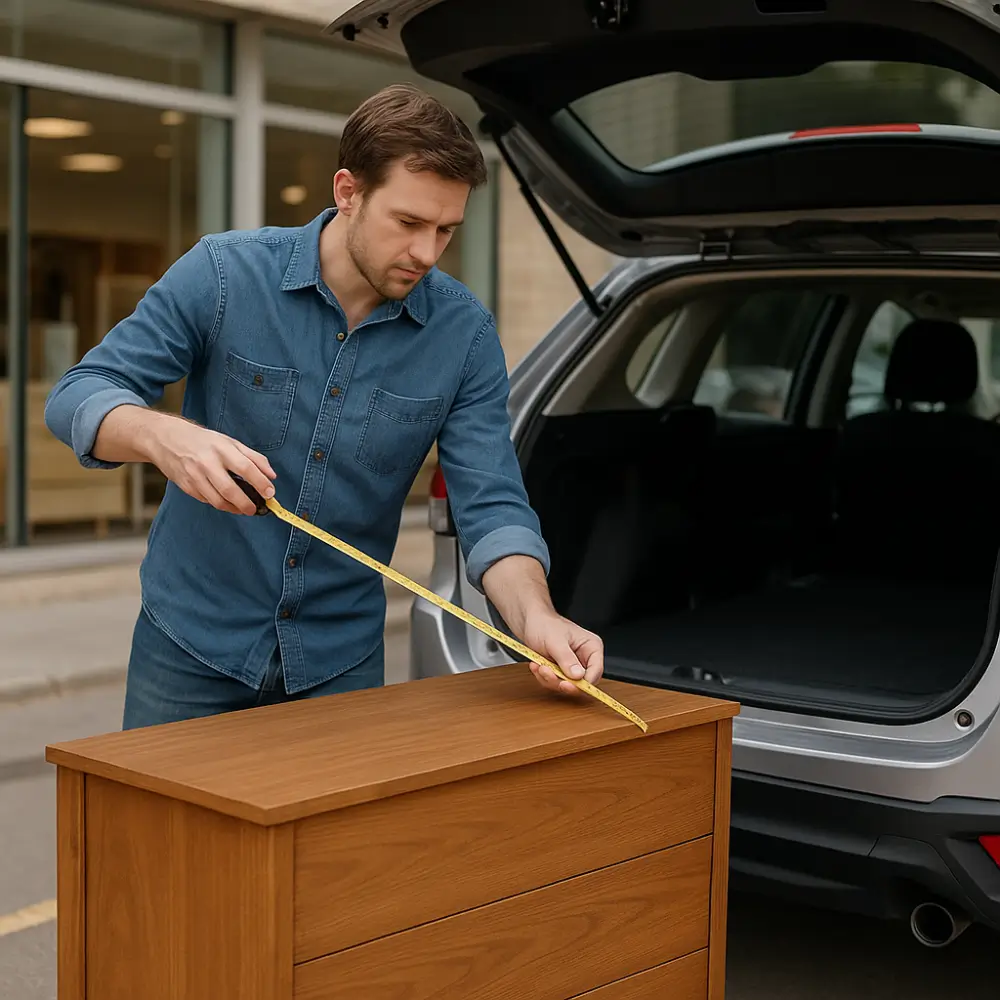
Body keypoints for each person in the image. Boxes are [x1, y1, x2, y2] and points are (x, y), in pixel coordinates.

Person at [44, 84, 605, 730]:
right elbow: (78, 395)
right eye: (408, 223)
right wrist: (165, 438)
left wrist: (536, 616)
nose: (427, 253)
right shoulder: (224, 275)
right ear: (347, 191)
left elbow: (493, 504)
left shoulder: (465, 336)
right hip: (188, 648)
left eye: (446, 230)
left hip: (340, 667)